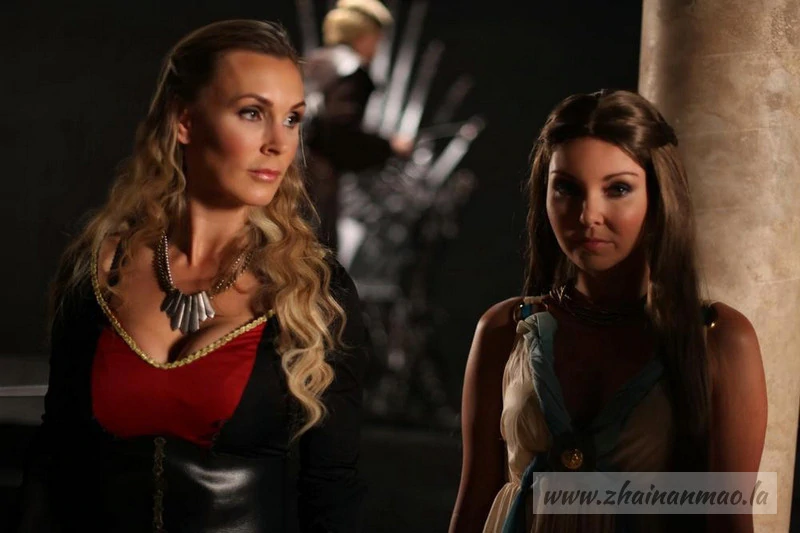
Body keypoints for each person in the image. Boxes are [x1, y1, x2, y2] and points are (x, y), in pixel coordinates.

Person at [15, 19, 368, 533]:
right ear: (185, 120)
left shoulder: (314, 289)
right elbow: (54, 461)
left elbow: (333, 488)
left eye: (293, 118)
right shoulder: (99, 268)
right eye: (252, 113)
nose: (279, 142)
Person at [448, 90, 768, 533]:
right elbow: (474, 503)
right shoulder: (505, 329)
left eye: (617, 188)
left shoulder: (717, 337)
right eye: (567, 188)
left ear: (659, 194)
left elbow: (729, 522)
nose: (588, 215)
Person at [303, 0, 414, 251]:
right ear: (364, 36)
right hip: (318, 186)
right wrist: (389, 147)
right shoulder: (352, 73)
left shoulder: (312, 63)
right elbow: (341, 136)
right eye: (377, 39)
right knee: (317, 259)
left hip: (286, 181)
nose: (378, 47)